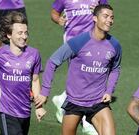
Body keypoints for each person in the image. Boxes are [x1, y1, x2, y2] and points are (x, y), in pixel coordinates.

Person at [36, 4, 121, 135]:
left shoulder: (114, 45)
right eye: (105, 16)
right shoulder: (79, 42)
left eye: (112, 17)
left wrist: (109, 91)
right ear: (94, 18)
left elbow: (115, 68)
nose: (109, 20)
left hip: (98, 102)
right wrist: (45, 92)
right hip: (75, 102)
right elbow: (53, 61)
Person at [50, 0, 108, 134]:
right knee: (81, 77)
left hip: (93, 40)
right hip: (73, 42)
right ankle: (87, 123)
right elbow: (54, 12)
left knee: (91, 75)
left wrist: (100, 9)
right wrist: (58, 19)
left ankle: (62, 99)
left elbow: (107, 10)